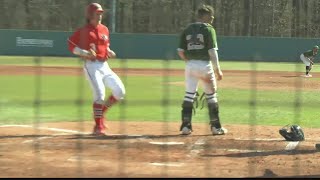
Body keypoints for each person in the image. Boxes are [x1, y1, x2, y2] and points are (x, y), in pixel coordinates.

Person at [67, 3, 125, 135]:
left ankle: (102, 111)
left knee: (119, 91)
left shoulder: (104, 29)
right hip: (91, 66)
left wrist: (109, 51)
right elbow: (71, 45)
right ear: (90, 15)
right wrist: (84, 53)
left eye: (100, 13)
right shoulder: (84, 31)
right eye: (97, 13)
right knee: (99, 94)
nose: (100, 16)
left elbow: (106, 45)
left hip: (105, 65)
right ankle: (98, 126)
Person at [177, 5, 227, 135]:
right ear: (205, 16)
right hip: (205, 66)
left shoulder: (187, 29)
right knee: (211, 95)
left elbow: (180, 51)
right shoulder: (209, 29)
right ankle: (216, 127)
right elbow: (212, 52)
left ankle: (185, 127)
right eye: (211, 15)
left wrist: (190, 62)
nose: (212, 18)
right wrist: (218, 70)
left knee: (189, 94)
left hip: (190, 66)